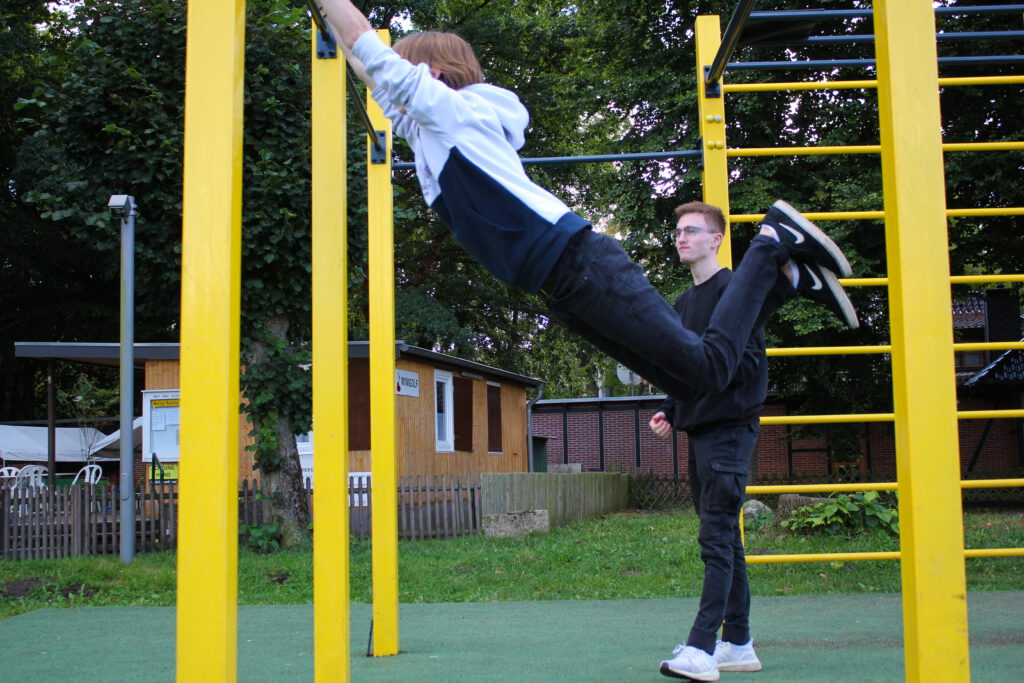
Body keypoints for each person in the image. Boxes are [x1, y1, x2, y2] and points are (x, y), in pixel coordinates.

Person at [649, 201, 786, 681]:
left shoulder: (735, 290)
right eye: (678, 231)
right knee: (726, 539)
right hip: (702, 434)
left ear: (716, 239)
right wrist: (671, 407)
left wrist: (705, 392)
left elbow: (748, 367)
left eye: (692, 230)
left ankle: (703, 648)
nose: (682, 238)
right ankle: (739, 643)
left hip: (731, 430)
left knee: (715, 539)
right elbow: (686, 370)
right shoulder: (684, 304)